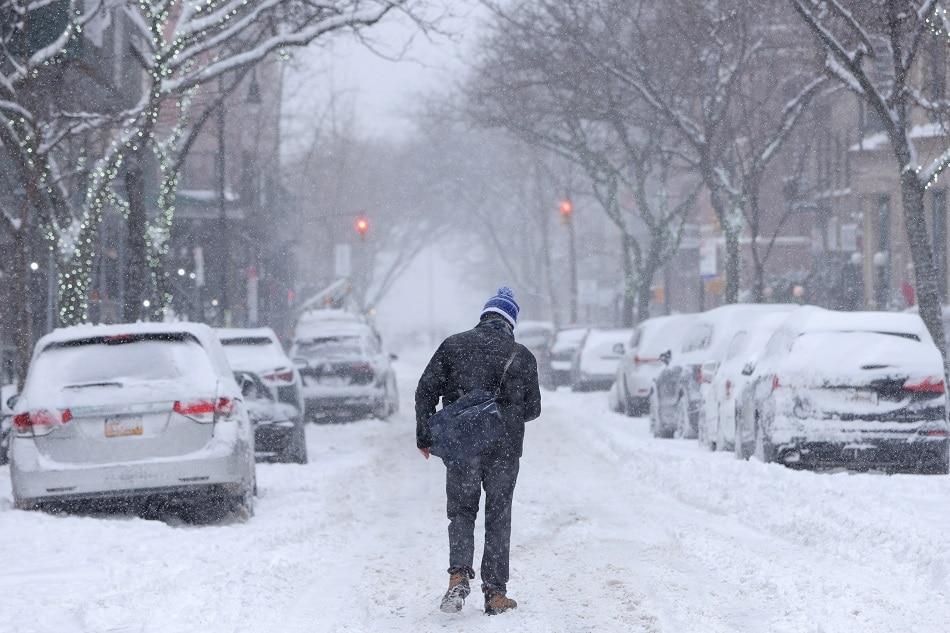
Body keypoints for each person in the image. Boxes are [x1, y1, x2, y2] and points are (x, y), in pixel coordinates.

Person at [415, 286, 542, 616]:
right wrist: (503, 413)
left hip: (463, 447)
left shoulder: (454, 346)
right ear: (510, 321)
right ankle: (495, 594)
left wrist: (424, 435)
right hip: (504, 449)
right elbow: (533, 409)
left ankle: (458, 576)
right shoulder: (522, 356)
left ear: (485, 315)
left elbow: (425, 390)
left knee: (461, 511)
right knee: (498, 516)